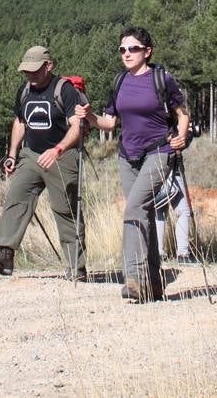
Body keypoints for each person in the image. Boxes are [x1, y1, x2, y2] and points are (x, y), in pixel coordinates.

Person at [81, 27, 190, 303]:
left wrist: (182, 136)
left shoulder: (160, 78)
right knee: (143, 213)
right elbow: (109, 122)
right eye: (122, 50)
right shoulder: (119, 82)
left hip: (159, 152)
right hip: (127, 156)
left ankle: (135, 279)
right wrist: (90, 116)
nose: (127, 54)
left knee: (134, 208)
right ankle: (153, 284)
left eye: (133, 49)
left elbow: (182, 112)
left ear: (147, 51)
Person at [0, 46, 87, 281]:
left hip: (62, 154)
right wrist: (12, 154)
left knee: (66, 209)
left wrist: (58, 149)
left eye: (35, 70)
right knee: (16, 197)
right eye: (26, 71)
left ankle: (76, 268)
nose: (30, 75)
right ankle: (4, 254)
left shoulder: (65, 90)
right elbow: (20, 122)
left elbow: (78, 126)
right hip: (31, 154)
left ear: (49, 66)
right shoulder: (25, 91)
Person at [154, 168, 193, 262]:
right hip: (172, 170)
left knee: (159, 210)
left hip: (153, 170)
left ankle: (158, 253)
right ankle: (183, 254)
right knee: (183, 211)